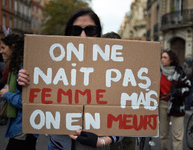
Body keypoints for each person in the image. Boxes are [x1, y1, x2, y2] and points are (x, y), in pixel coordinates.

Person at [17, 7, 122, 150]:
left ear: (98, 34)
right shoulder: (50, 63)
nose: (83, 36)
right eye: (75, 30)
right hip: (57, 146)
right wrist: (24, 84)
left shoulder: (114, 66)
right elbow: (34, 102)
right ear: (67, 34)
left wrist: (106, 140)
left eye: (90, 30)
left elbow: (127, 112)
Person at [0, 33, 38, 150]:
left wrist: (7, 94)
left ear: (13, 47)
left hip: (23, 128)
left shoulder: (24, 69)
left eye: (3, 48)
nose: (1, 51)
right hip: (22, 127)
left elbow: (26, 101)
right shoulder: (16, 67)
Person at [102, 32, 136, 150]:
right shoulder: (97, 66)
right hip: (108, 115)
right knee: (113, 144)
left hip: (127, 113)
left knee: (128, 141)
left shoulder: (130, 65)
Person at [160, 49, 191, 150]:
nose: (162, 59)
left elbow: (188, 88)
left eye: (165, 57)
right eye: (162, 57)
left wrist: (177, 92)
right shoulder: (158, 72)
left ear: (171, 60)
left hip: (177, 106)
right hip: (163, 105)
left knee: (177, 135)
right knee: (163, 134)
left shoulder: (179, 72)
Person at [0, 50, 6, 125]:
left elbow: (4, 78)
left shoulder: (1, 65)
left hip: (0, 89)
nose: (1, 51)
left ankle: (1, 120)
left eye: (3, 48)